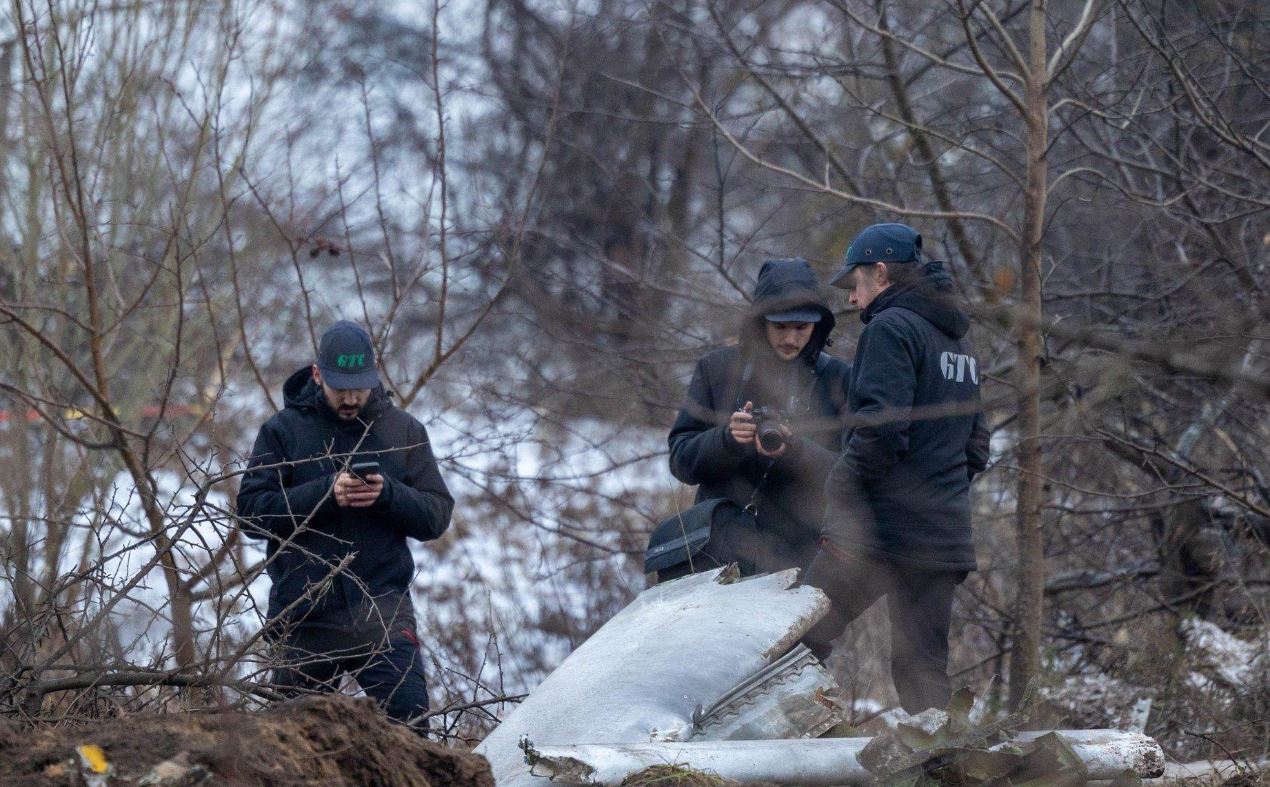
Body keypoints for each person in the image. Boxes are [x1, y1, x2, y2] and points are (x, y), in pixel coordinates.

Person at [803, 223, 990, 714]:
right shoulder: (959, 347)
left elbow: (880, 431)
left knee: (799, 638)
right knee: (923, 671)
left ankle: (777, 761)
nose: (852, 300)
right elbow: (977, 449)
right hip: (942, 535)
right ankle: (945, 768)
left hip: (877, 534)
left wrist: (838, 487)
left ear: (880, 273)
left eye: (856, 285)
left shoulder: (891, 328)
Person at [237, 320, 453, 726]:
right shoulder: (282, 432)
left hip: (383, 613)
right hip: (304, 616)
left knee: (409, 728)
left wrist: (388, 494)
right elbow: (250, 514)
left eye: (360, 386)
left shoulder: (403, 431)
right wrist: (324, 494)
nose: (352, 397)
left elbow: (437, 515)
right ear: (318, 375)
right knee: (293, 743)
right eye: (341, 388)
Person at [660, 258, 851, 580]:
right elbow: (681, 461)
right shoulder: (718, 370)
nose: (790, 339)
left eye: (801, 328)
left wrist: (797, 451)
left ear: (817, 326)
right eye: (780, 327)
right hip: (717, 554)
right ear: (760, 322)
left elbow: (851, 474)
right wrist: (726, 440)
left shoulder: (836, 379)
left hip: (798, 561)